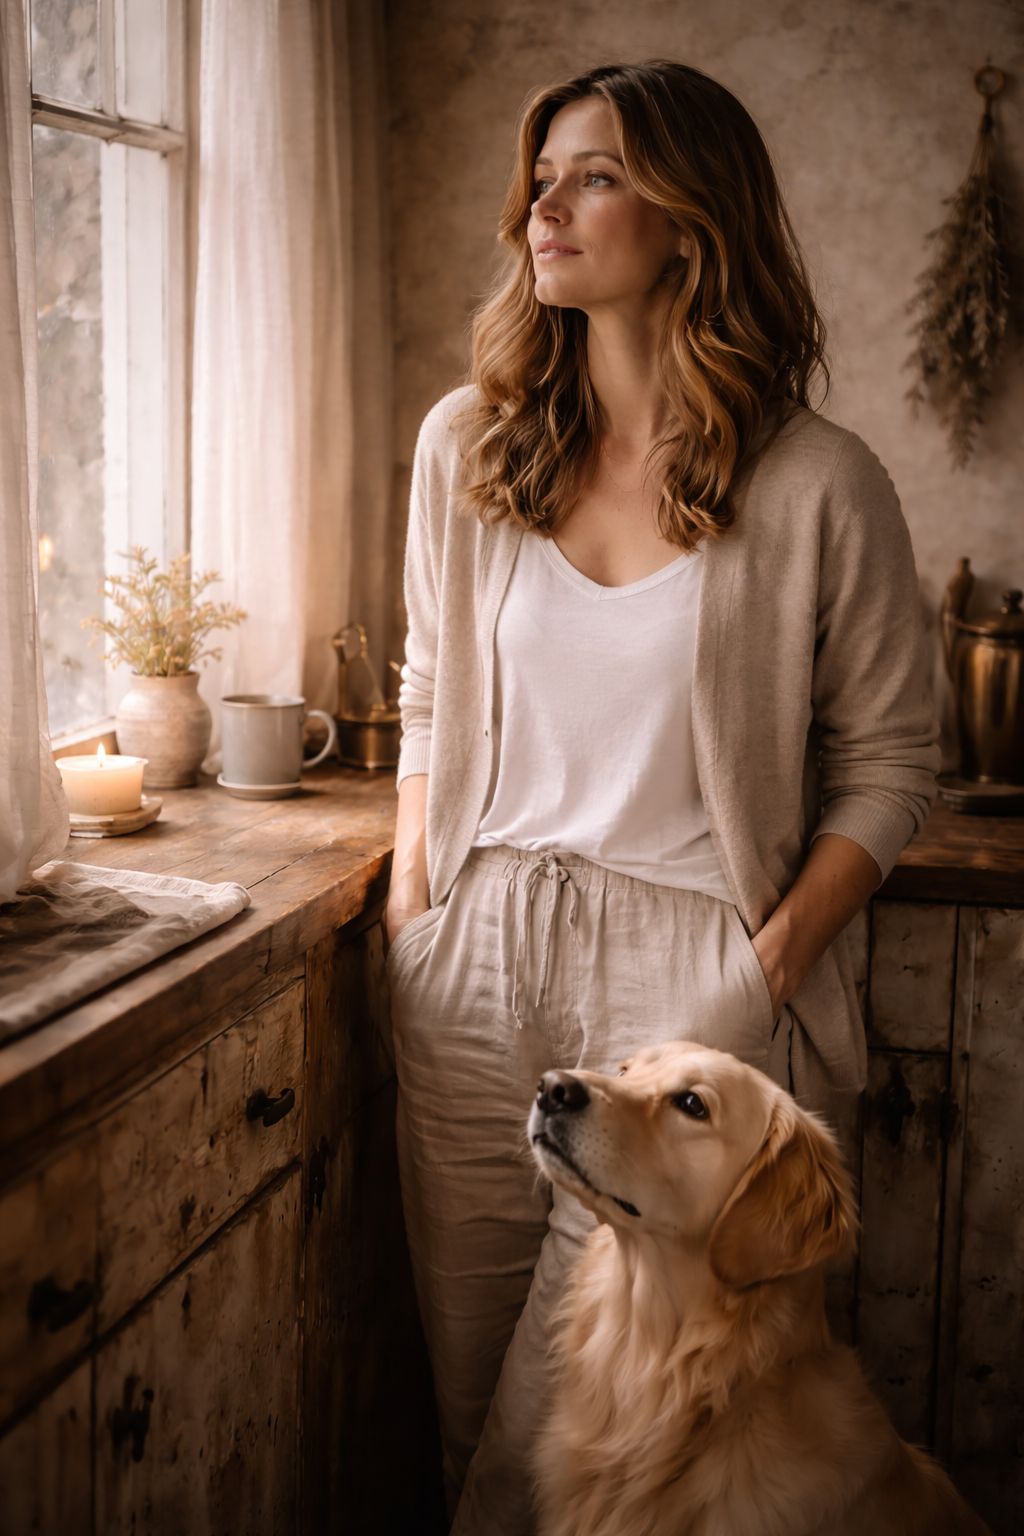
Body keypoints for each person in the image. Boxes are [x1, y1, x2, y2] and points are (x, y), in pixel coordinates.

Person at [383, 60, 939, 1536]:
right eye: (543, 175)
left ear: (692, 223)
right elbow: (427, 690)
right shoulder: (469, 446)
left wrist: (762, 966)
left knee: (575, 1412)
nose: (544, 207)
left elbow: (892, 765)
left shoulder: (821, 483)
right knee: (468, 1375)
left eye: (596, 175)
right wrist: (415, 908)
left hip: (689, 979)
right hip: (479, 951)